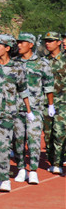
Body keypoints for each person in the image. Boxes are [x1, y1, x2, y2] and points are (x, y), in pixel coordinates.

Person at [0, 34, 33, 191]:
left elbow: (23, 90)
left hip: (8, 113)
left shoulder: (17, 68)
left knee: (3, 145)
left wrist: (28, 111)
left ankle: (4, 179)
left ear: (7, 48)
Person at [12, 33, 55, 184]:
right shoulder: (14, 63)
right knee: (18, 140)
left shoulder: (42, 63)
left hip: (35, 107)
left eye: (22, 42)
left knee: (33, 140)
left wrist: (50, 105)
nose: (19, 45)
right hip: (17, 108)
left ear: (31, 44)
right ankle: (21, 168)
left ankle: (33, 170)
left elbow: (48, 86)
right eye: (18, 43)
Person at [42, 32, 62, 172]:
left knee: (59, 133)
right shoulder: (44, 61)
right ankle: (51, 159)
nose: (47, 43)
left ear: (58, 42)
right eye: (46, 41)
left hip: (63, 102)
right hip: (46, 102)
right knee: (48, 134)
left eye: (51, 41)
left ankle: (58, 163)